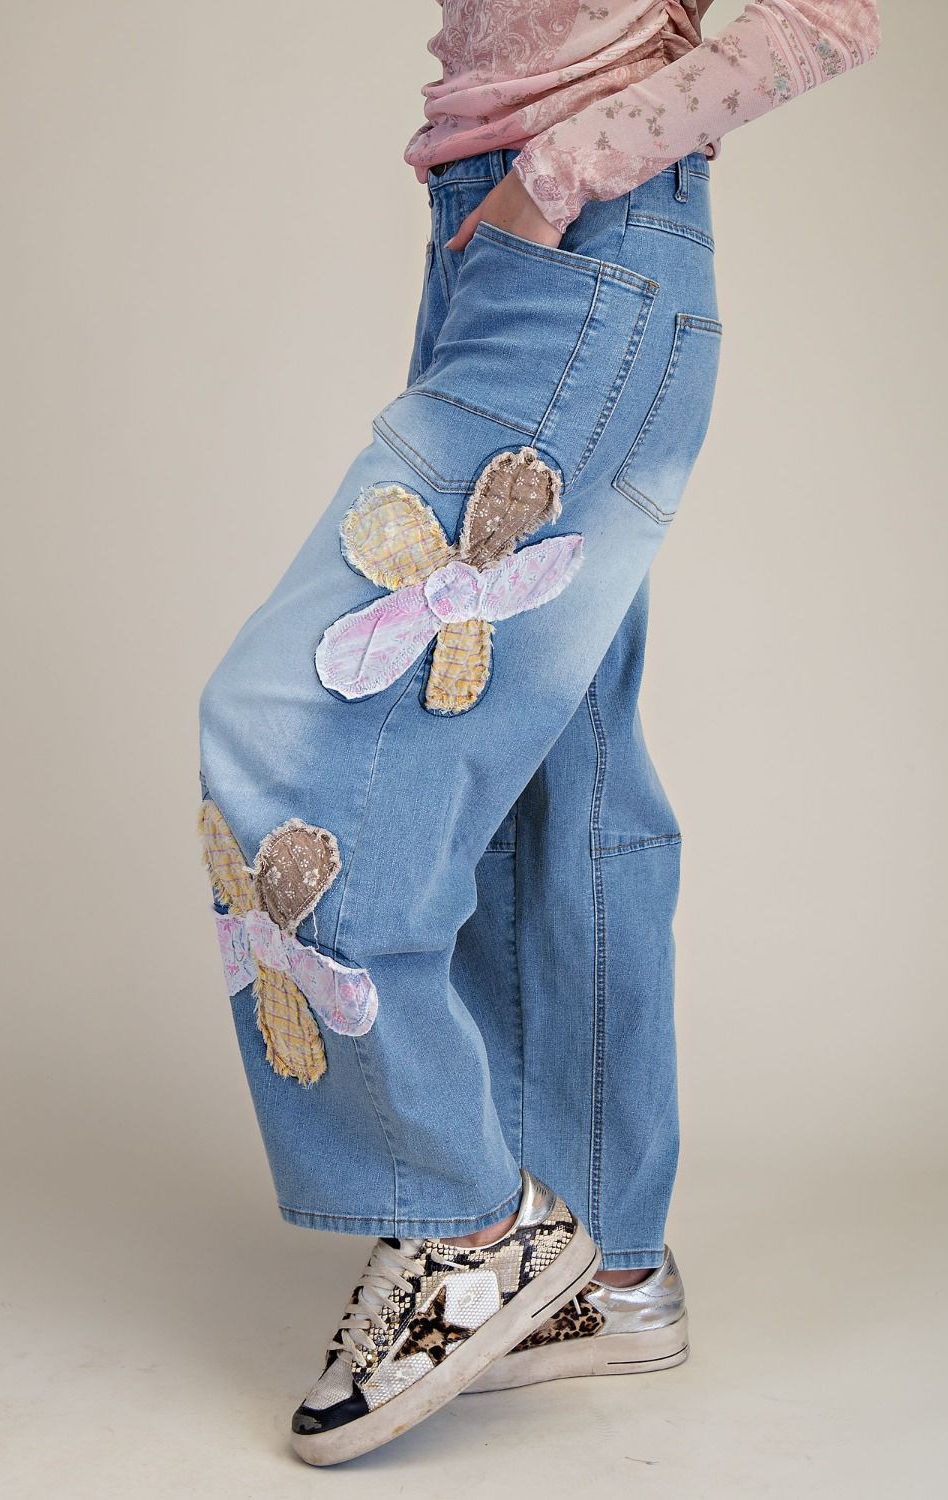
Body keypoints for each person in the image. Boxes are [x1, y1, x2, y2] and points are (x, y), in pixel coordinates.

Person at [197, 0, 882, 1467]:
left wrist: (562, 170)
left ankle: (470, 1223)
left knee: (280, 722)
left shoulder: (570, 180)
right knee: (560, 777)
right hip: (513, 257)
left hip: (582, 247)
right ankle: (607, 1269)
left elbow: (831, 15)